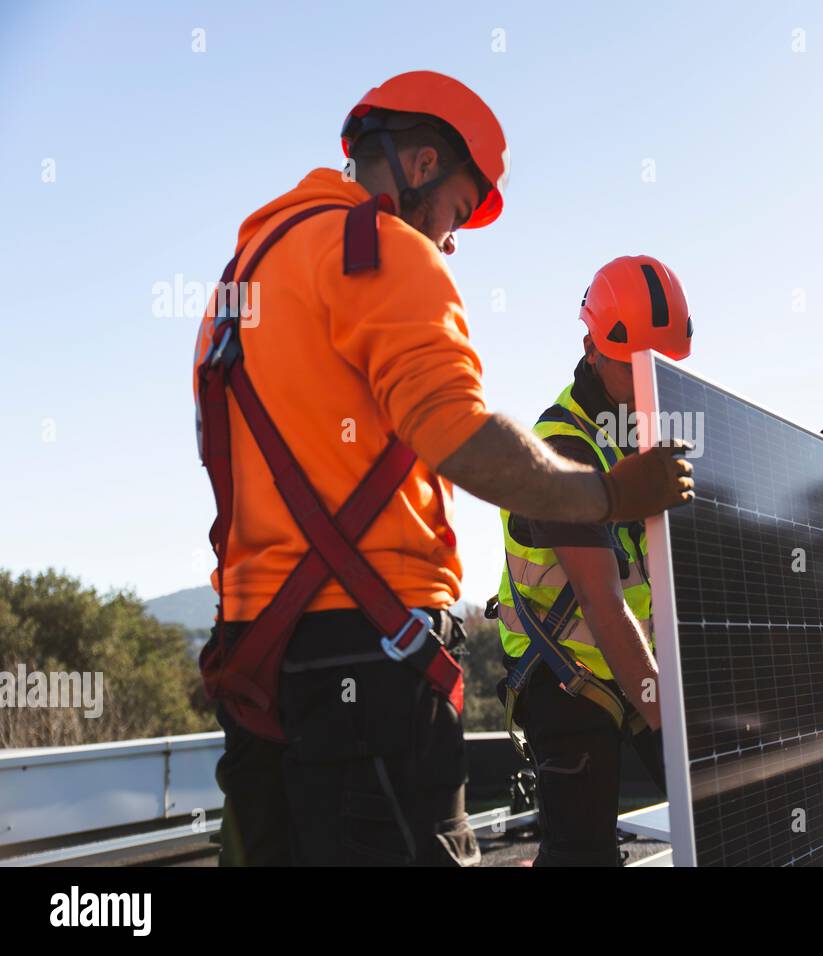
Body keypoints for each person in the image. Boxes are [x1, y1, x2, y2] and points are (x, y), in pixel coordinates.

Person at [192, 74, 694, 866]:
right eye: (457, 212)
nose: (452, 240)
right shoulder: (383, 249)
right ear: (421, 163)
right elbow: (458, 431)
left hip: (253, 659)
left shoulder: (242, 277)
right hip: (369, 654)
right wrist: (606, 494)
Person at [492, 255, 693, 866]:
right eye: (636, 362)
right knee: (584, 856)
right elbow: (603, 605)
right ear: (591, 345)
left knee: (724, 815)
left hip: (636, 662)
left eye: (660, 363)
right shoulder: (560, 447)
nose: (649, 378)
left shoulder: (649, 430)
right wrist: (675, 726)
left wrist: (821, 463)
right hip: (567, 676)